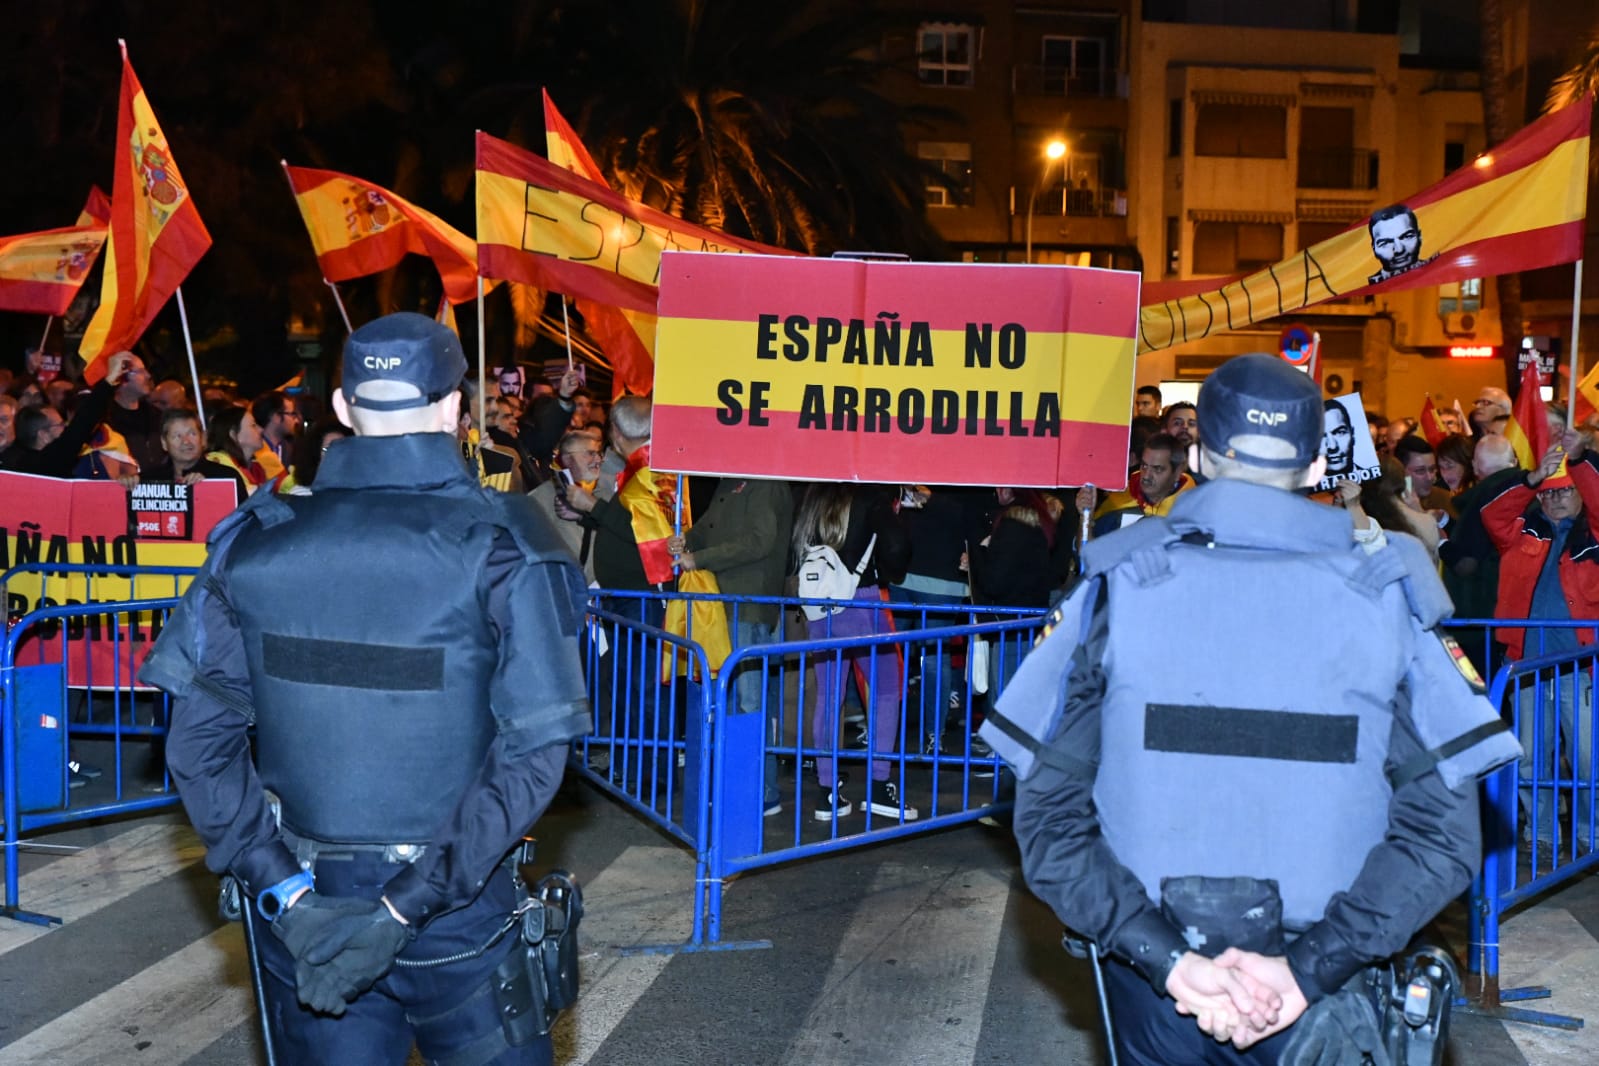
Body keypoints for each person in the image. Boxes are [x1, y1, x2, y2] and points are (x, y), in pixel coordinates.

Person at [986, 353, 1518, 1063]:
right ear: (1308, 470)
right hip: (1328, 990)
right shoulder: (1388, 600)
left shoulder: (1114, 592)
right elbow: (1443, 841)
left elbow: (1048, 823)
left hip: (1155, 988)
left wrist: (1173, 962)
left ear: (1198, 456)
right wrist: (1305, 973)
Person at [141, 312, 590, 1064]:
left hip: (306, 911)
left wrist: (285, 896)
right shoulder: (505, 544)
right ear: (456, 410)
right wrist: (400, 907)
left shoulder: (254, 541)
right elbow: (535, 754)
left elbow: (196, 745)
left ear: (344, 409)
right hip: (459, 914)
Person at [1482, 434, 1599, 854]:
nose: (1557, 498)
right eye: (1550, 493)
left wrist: (1582, 460)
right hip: (1529, 668)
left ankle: (1591, 835)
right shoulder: (1521, 533)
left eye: (1567, 490)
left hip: (1580, 667)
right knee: (1531, 758)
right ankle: (1543, 834)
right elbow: (1493, 515)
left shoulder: (1595, 535)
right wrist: (1531, 478)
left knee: (1589, 759)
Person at [791, 483, 914, 823]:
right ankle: (879, 783)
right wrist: (890, 569)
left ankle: (827, 791)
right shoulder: (870, 496)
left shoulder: (812, 494)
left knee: (830, 696)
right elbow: (896, 543)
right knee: (887, 690)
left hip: (820, 606)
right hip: (863, 601)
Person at [143, 408, 248, 496]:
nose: (186, 441)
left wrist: (207, 485)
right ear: (164, 443)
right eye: (177, 436)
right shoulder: (147, 481)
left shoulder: (226, 477)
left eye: (192, 434)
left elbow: (245, 518)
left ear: (203, 438)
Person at [205, 406, 272, 495]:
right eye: (253, 425)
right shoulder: (218, 463)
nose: (261, 430)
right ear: (233, 435)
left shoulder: (256, 469)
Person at [1321, 399, 1356, 480]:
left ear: (1352, 434)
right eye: (1321, 437)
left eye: (1340, 433)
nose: (1332, 446)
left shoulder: (1373, 484)